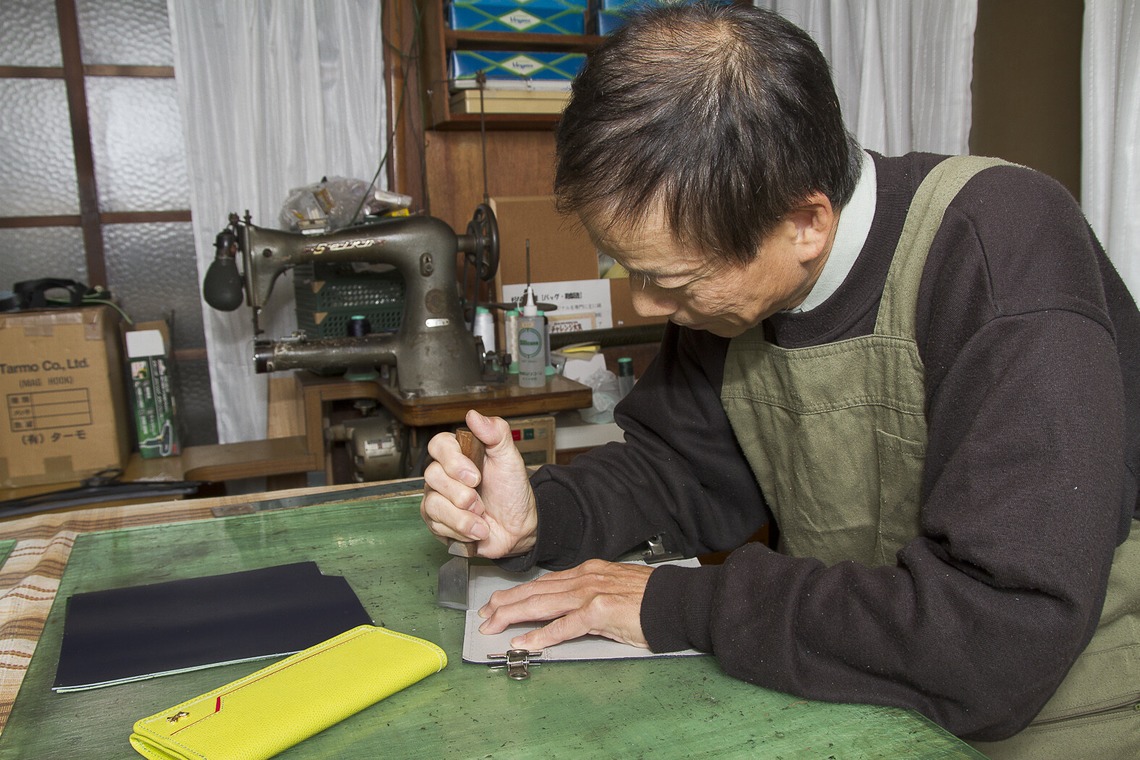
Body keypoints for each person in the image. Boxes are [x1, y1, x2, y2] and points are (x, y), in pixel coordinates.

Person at [421, 3, 1140, 757]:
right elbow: (673, 471)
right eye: (628, 269)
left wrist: (685, 605)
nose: (646, 304)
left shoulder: (1002, 249)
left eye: (674, 279)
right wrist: (539, 514)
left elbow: (998, 636)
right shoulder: (734, 291)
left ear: (806, 221)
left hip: (1057, 721)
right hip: (860, 687)